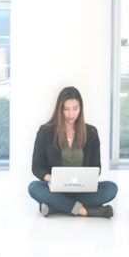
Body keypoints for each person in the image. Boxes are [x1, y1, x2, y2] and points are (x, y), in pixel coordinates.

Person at [28, 86, 118, 218]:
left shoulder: (91, 132)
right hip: (56, 190)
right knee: (34, 187)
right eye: (66, 109)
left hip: (82, 190)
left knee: (111, 188)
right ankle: (85, 211)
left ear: (81, 109)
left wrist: (89, 180)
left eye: (75, 109)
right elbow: (37, 167)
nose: (71, 114)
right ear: (60, 109)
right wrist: (51, 179)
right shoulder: (45, 132)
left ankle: (55, 207)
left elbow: (96, 167)